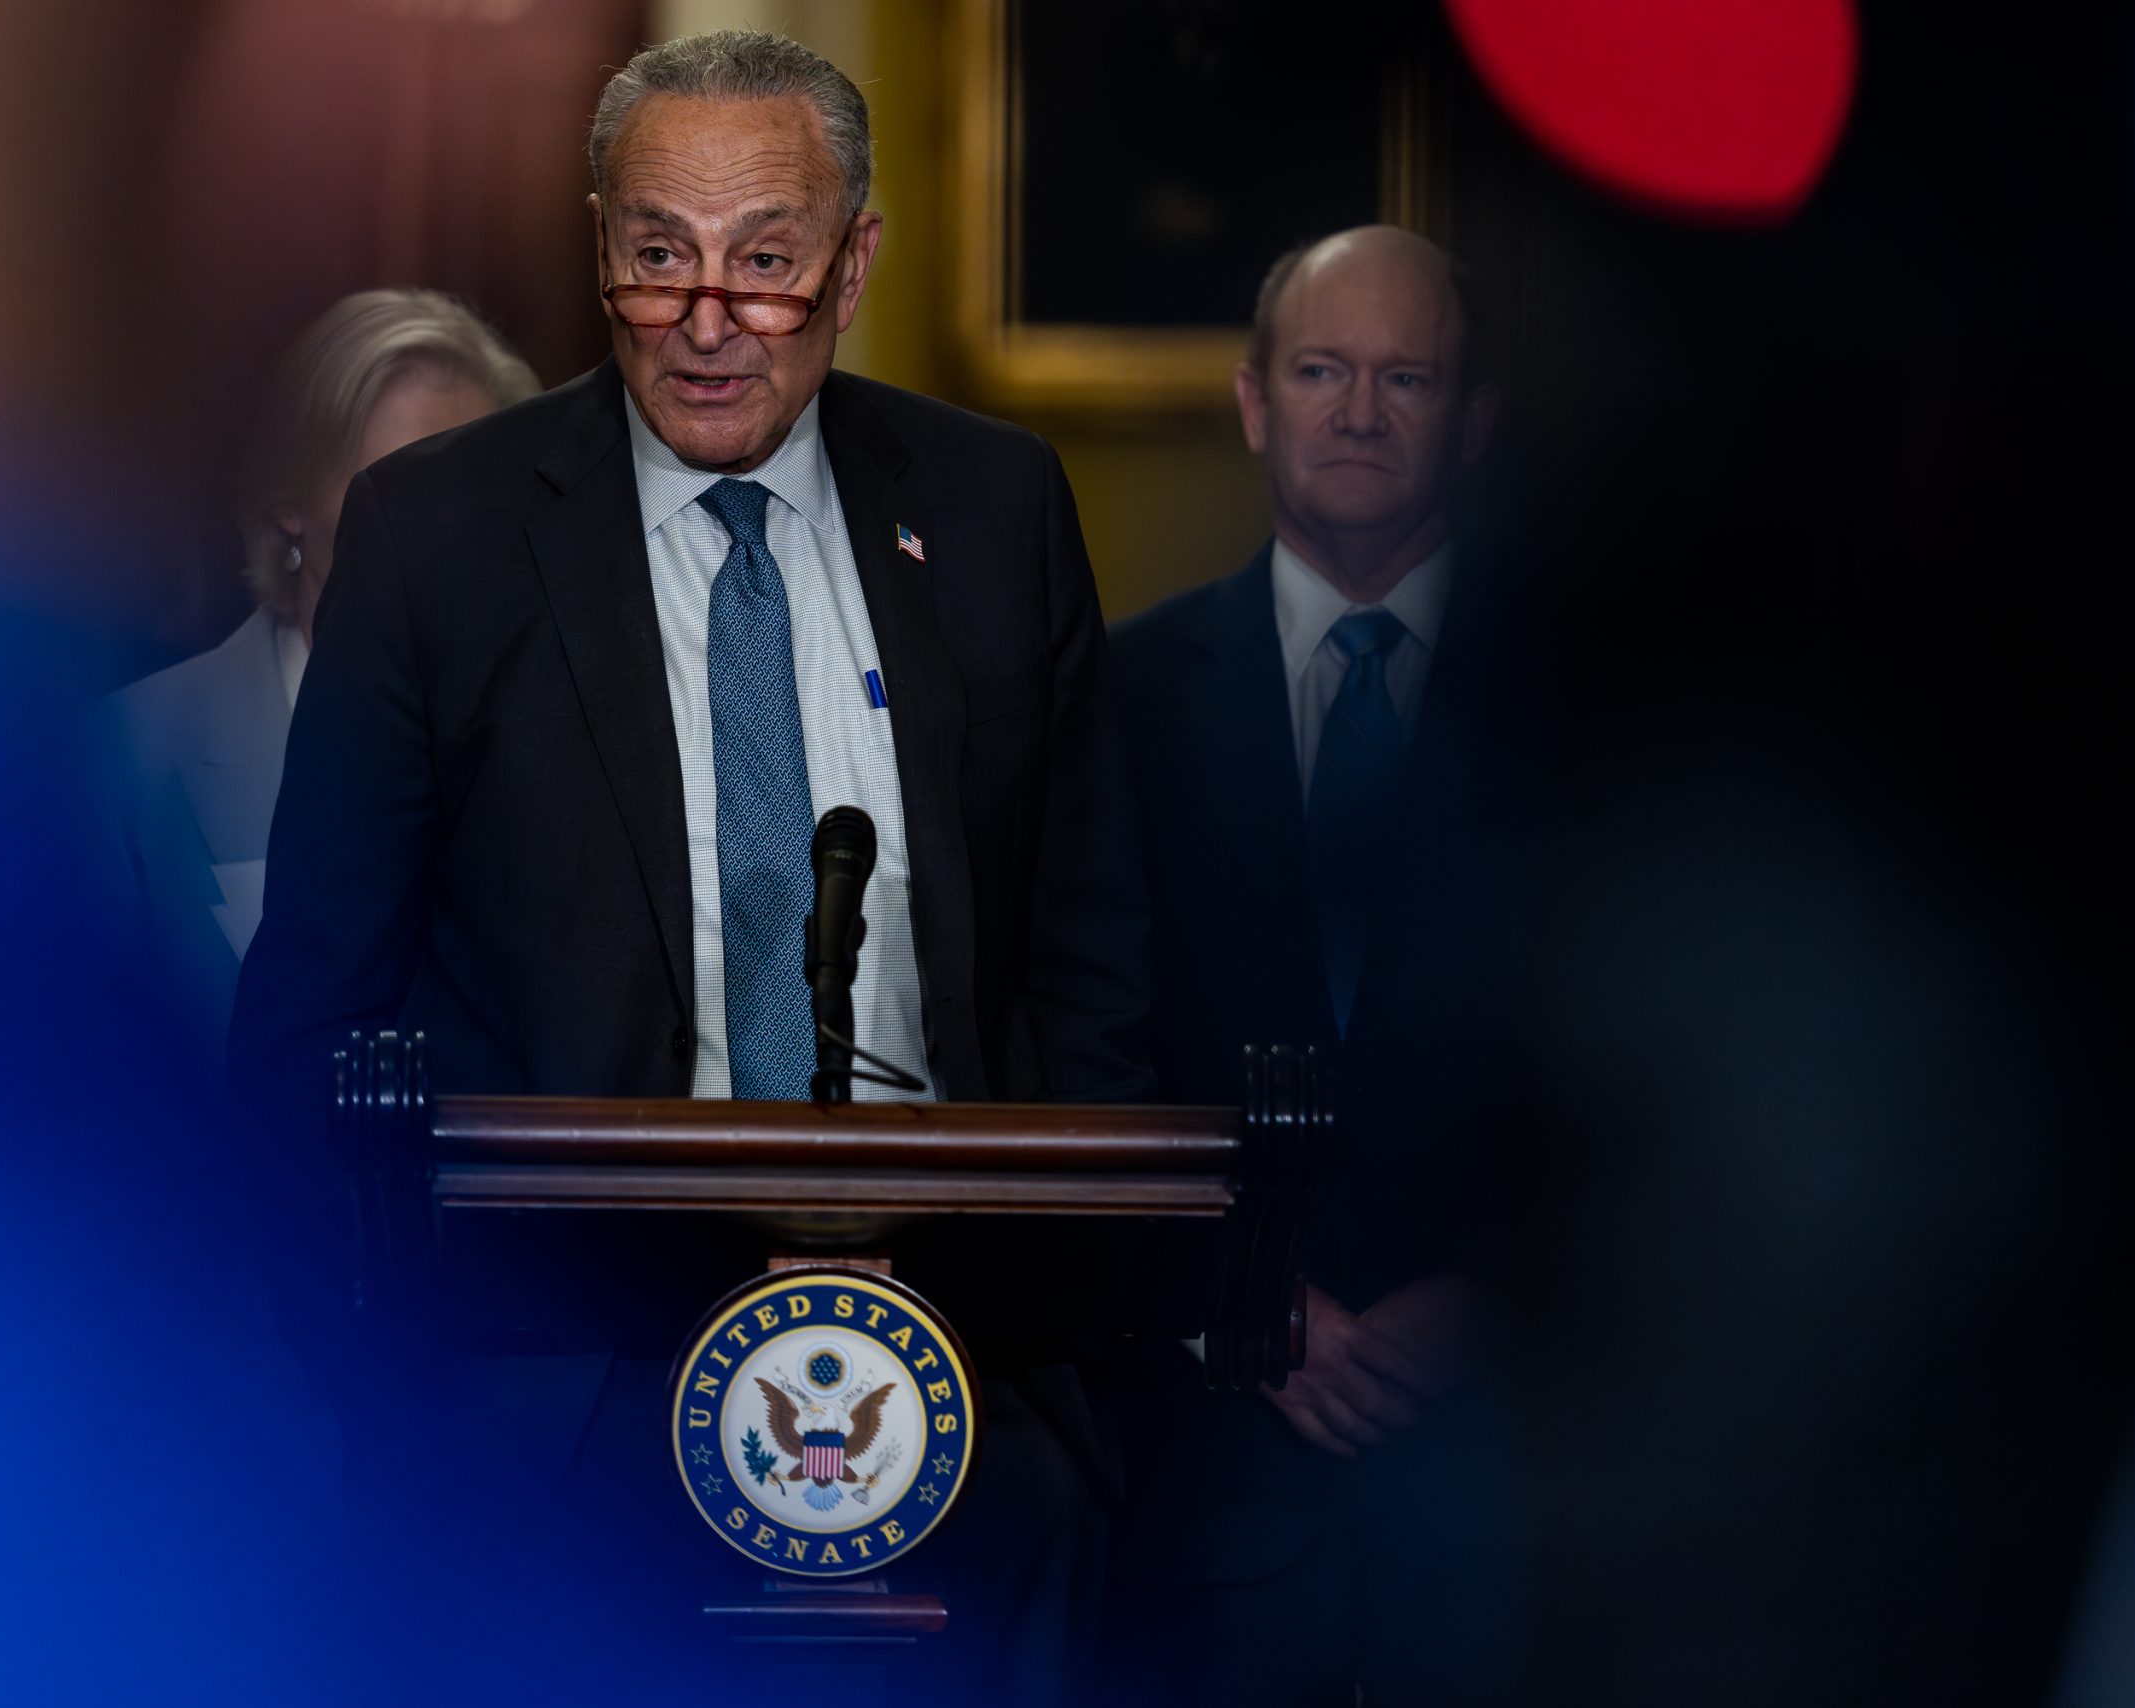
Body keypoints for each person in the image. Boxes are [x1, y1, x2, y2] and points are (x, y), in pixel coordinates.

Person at [227, 29, 1149, 1700]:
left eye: (766, 261)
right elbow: (311, 1016)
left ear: (854, 263)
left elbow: (1089, 974)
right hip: (554, 1409)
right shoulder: (440, 535)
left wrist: (1073, 1354)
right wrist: (382, 1391)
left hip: (958, 1379)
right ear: (601, 248)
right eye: (660, 256)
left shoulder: (995, 506)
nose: (707, 319)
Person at [1101, 226, 1537, 1706]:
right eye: (1319, 372)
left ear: (1473, 421)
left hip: (1517, 1507)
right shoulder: (1113, 697)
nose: (1358, 412)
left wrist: (1501, 1299)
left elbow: (1653, 1062)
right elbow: (1062, 1049)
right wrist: (1238, 1295)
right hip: (1200, 1506)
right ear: (1252, 402)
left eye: (1406, 378)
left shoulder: (1583, 709)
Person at [94, 290, 537, 1078]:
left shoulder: (559, 750)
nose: (449, 534)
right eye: (403, 488)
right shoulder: (127, 761)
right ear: (290, 505)